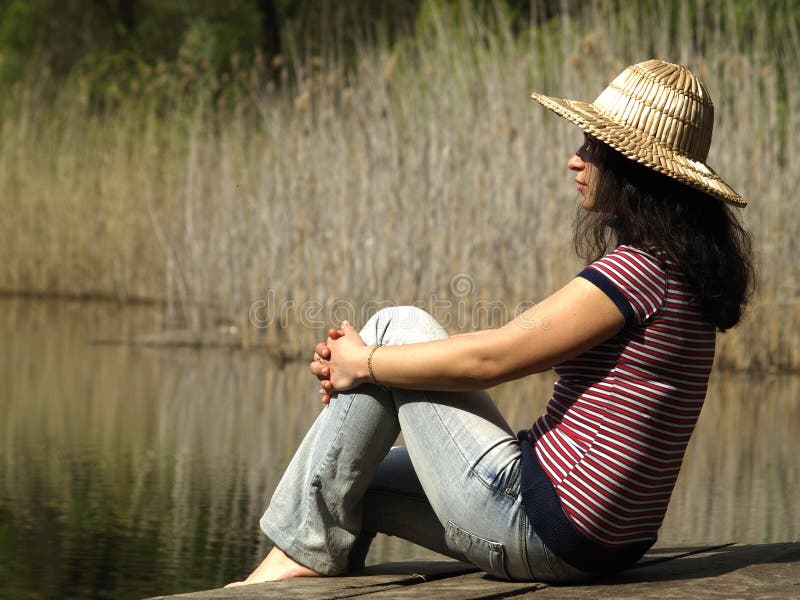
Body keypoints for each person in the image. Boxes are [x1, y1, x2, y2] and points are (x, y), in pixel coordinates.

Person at [227, 59, 754, 586]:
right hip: (605, 541)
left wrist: (362, 363)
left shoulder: (638, 271)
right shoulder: (679, 274)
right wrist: (363, 370)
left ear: (631, 169)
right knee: (347, 477)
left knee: (395, 326)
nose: (575, 161)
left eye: (592, 149)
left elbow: (492, 359)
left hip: (542, 526)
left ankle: (291, 559)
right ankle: (304, 554)